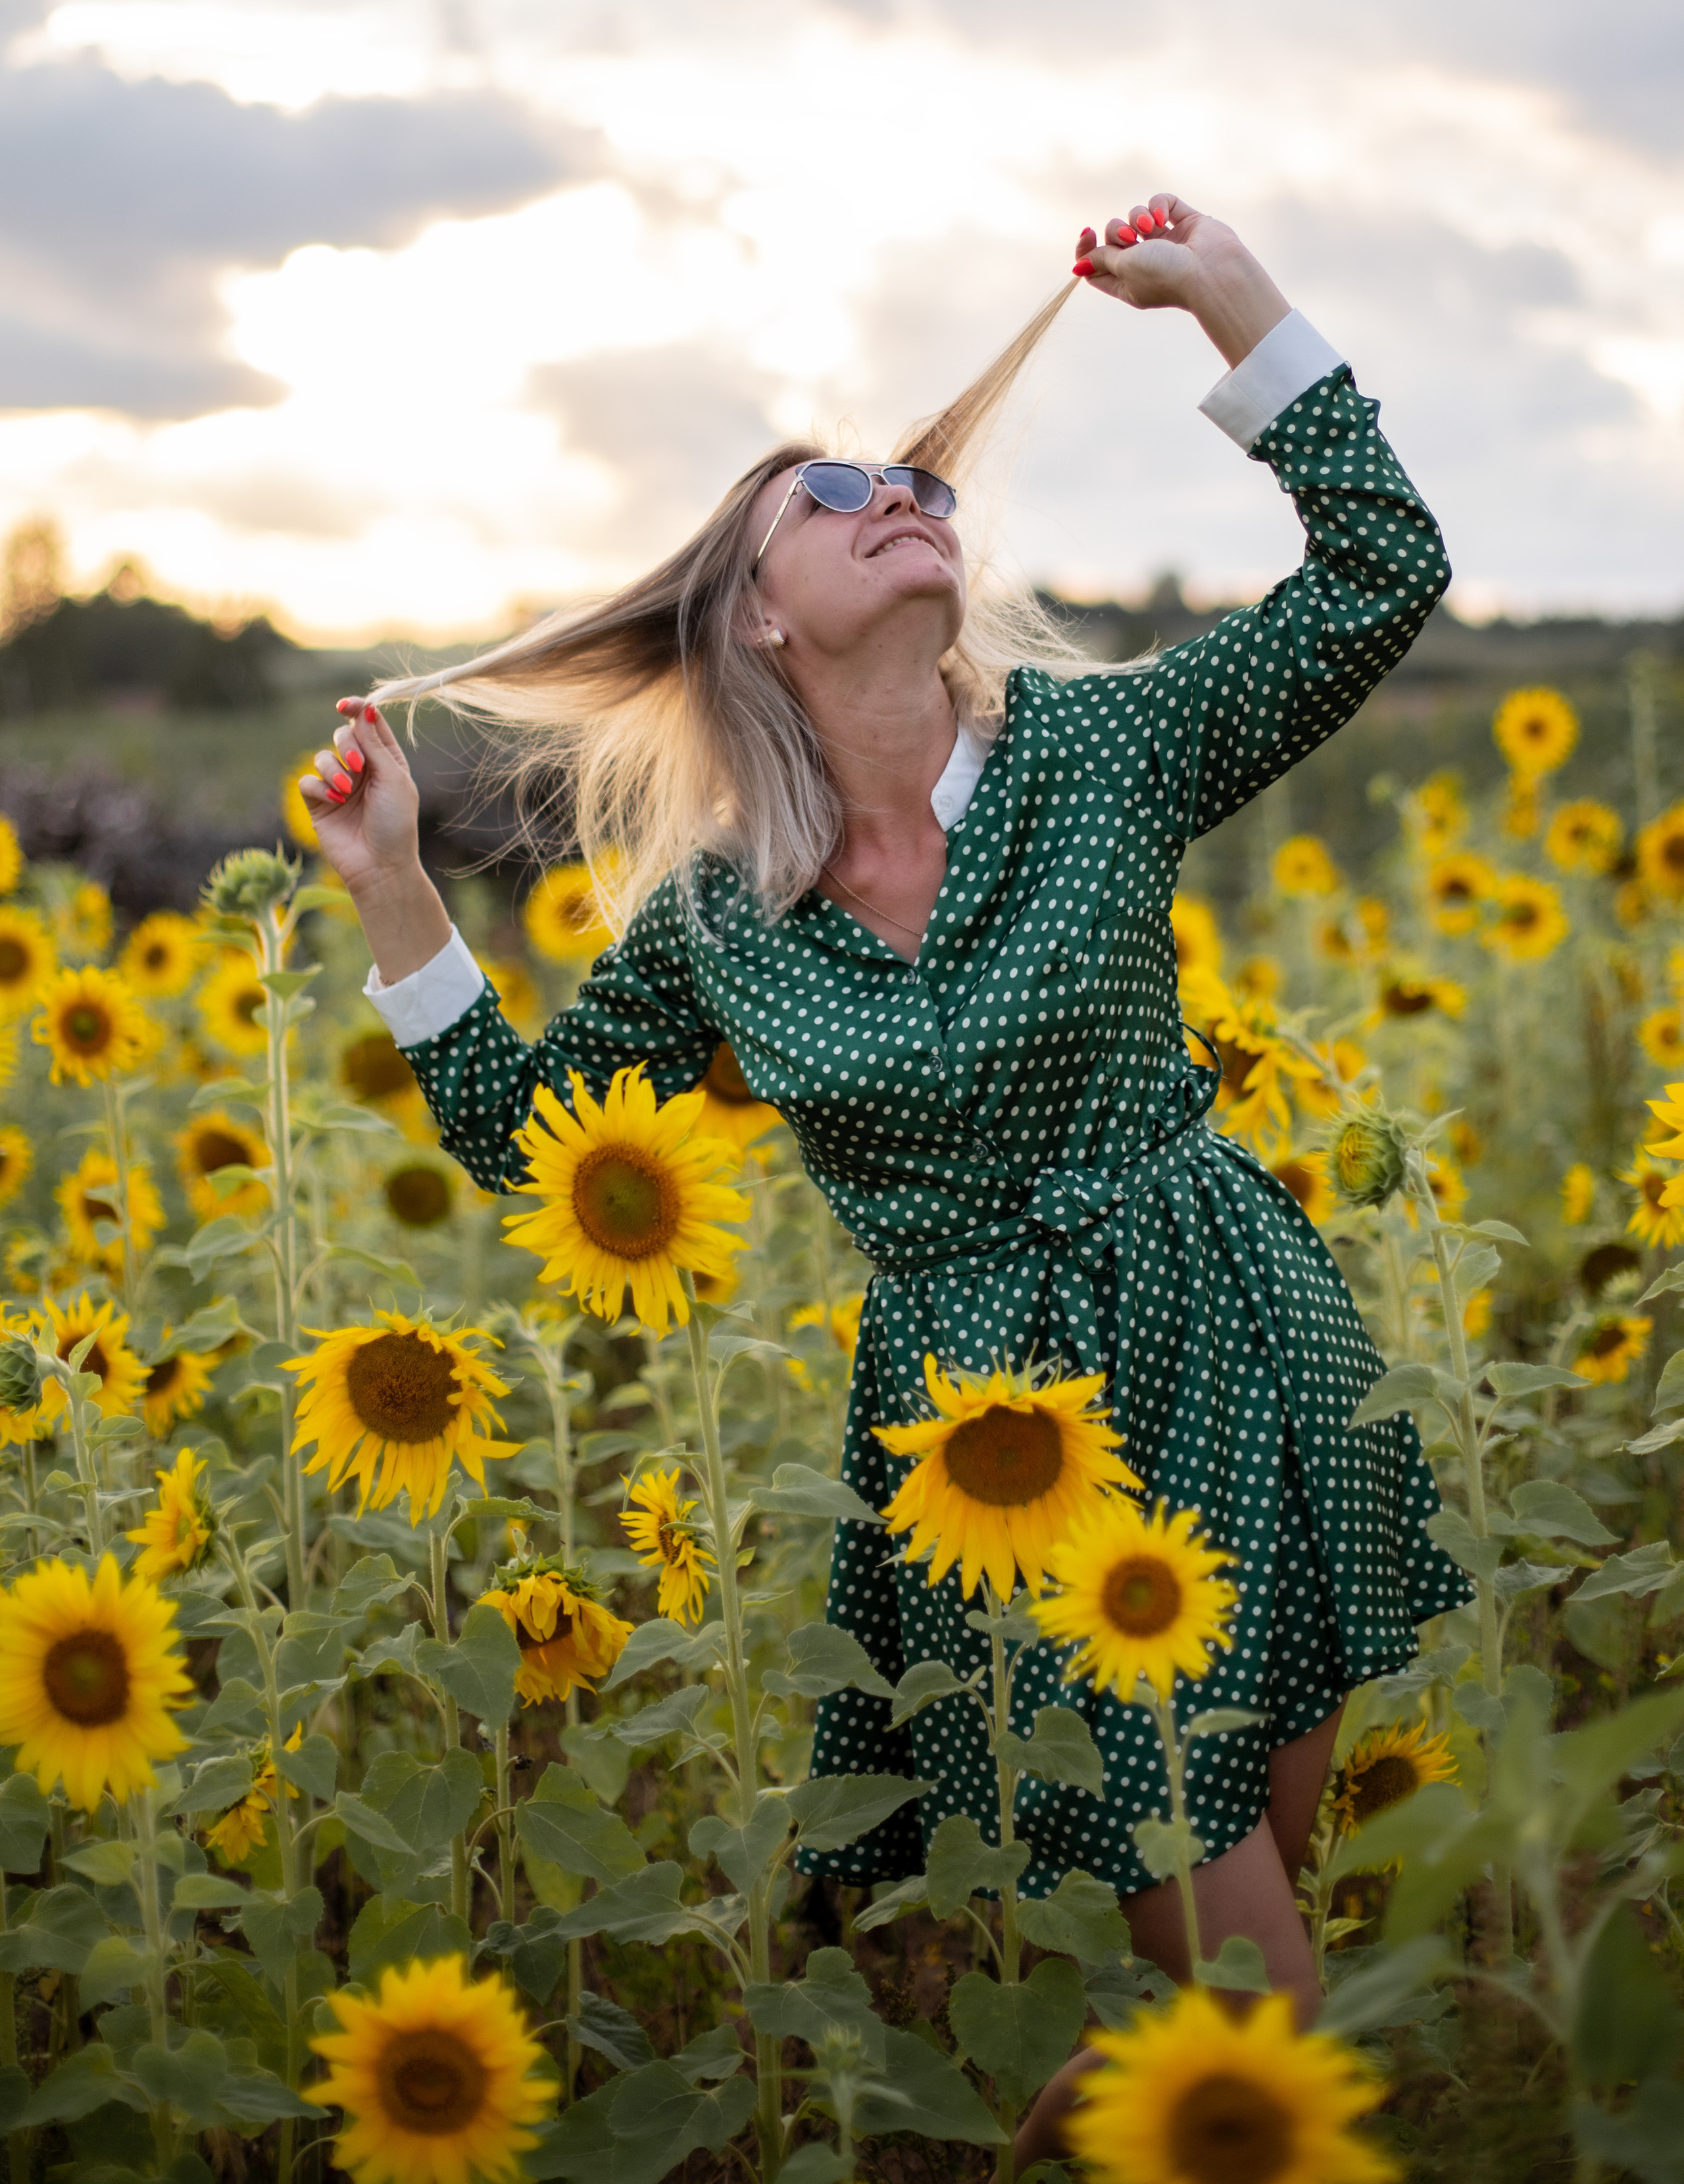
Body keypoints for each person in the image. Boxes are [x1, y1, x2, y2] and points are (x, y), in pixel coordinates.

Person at [297, 194, 1465, 2154]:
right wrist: (403, 895)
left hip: (1233, 1334)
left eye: (911, 477)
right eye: (829, 495)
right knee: (1254, 1973)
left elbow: (1381, 572)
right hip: (1001, 1442)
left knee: (1262, 1891)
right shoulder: (715, 922)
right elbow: (528, 1137)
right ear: (758, 611)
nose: (894, 492)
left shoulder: (1106, 750)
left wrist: (1239, 310)